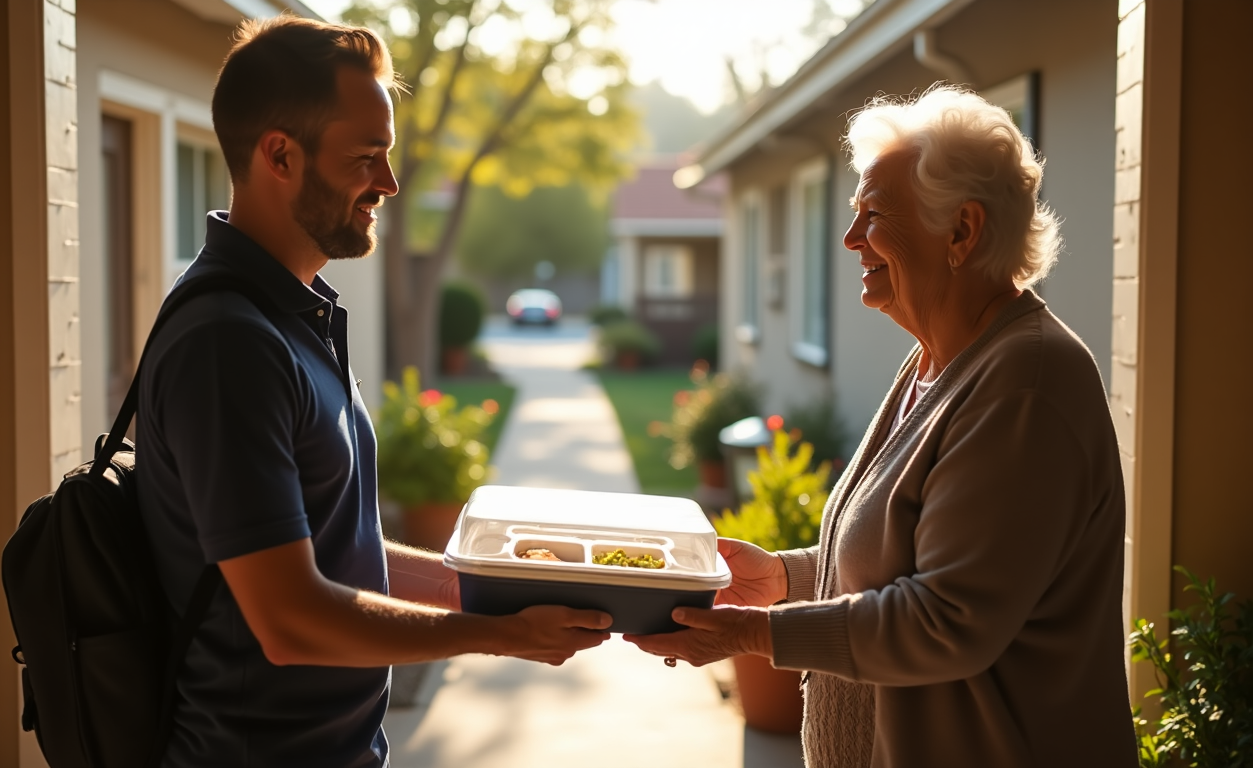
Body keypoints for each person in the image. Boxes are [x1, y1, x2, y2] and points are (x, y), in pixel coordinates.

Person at [138, 17, 610, 768]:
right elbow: (290, 619)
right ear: (279, 155)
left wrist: (494, 594)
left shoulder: (292, 317)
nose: (388, 185)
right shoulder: (228, 344)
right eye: (367, 158)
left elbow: (340, 555)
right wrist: (501, 635)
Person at [627, 85, 1137, 767]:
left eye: (873, 215)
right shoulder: (937, 359)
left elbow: (946, 621)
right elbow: (906, 560)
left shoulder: (1026, 385)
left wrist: (754, 635)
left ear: (962, 231)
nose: (849, 238)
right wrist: (784, 576)